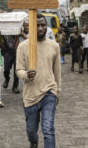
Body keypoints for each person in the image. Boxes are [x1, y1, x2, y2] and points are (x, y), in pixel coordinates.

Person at [16, 14, 61, 148]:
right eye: (37, 25)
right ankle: (33, 142)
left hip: (49, 92)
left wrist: (57, 91)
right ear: (31, 27)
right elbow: (18, 70)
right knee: (31, 131)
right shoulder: (23, 46)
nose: (40, 28)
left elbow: (57, 72)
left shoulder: (54, 46)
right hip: (30, 96)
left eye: (43, 25)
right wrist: (26, 75)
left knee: (48, 129)